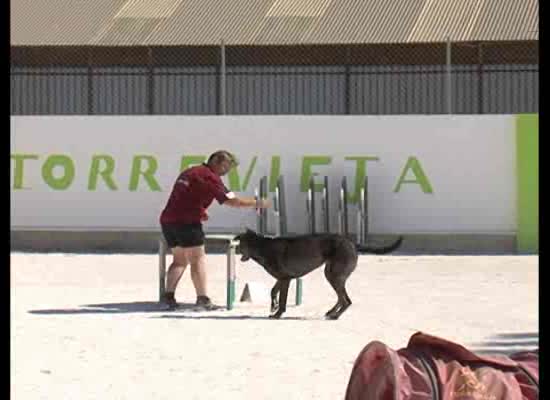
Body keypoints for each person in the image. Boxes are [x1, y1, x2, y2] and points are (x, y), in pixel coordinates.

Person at [159, 150, 270, 310]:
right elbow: (232, 201)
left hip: (168, 220)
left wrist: (200, 210)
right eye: (227, 167)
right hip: (187, 222)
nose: (227, 171)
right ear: (218, 162)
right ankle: (202, 299)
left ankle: (168, 297)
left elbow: (185, 196)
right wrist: (257, 203)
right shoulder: (210, 177)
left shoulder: (191, 171)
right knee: (197, 260)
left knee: (179, 261)